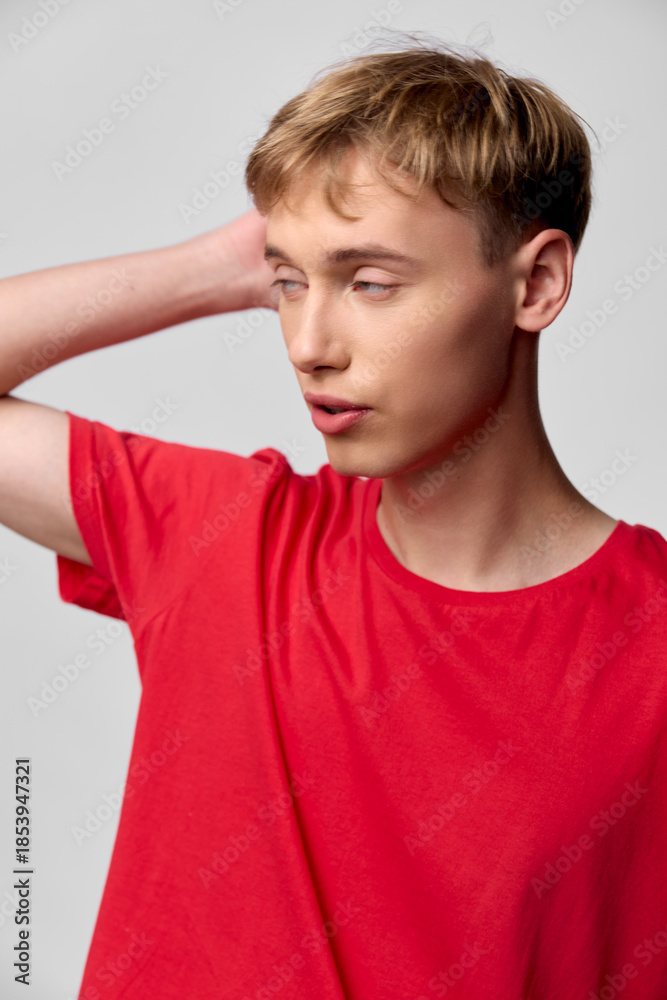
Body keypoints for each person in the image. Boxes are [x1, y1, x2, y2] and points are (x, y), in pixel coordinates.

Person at [2, 34, 667, 1000]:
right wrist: (216, 269)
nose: (307, 344)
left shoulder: (649, 643)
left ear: (534, 284)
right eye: (288, 284)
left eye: (370, 282)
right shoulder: (223, 537)